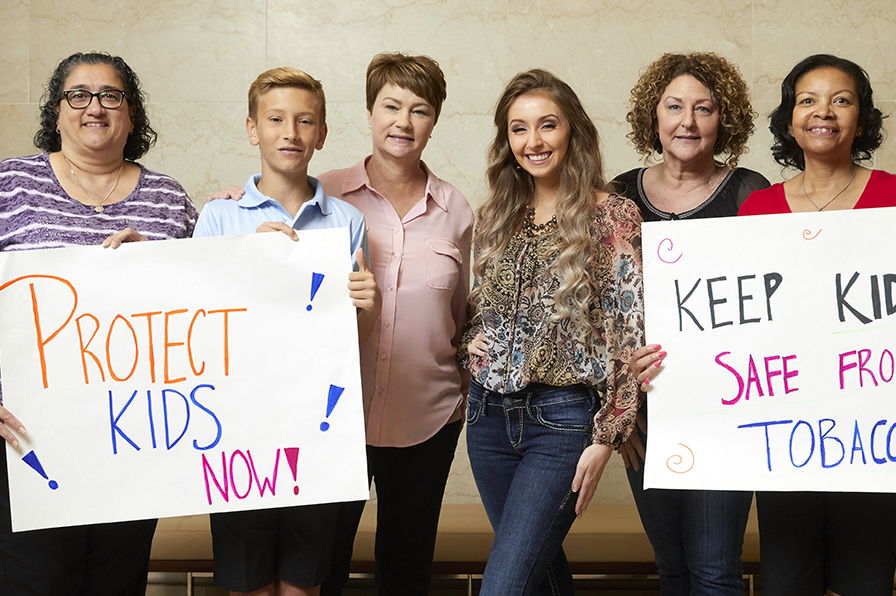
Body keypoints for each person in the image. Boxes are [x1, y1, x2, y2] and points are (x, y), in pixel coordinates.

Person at [0, 51, 197, 595]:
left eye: (111, 96)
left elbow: (208, 301)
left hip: (132, 438)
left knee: (118, 583)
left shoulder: (169, 199)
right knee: (35, 583)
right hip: (28, 436)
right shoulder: (9, 184)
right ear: (57, 112)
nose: (95, 107)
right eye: (78, 95)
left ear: (131, 115)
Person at [193, 67, 380, 596]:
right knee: (248, 584)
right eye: (275, 119)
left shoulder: (346, 221)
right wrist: (250, 256)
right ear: (253, 129)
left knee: (302, 584)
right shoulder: (218, 217)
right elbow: (197, 326)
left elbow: (351, 338)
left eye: (305, 121)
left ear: (321, 134)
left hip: (316, 430)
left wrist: (367, 305)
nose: (290, 133)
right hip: (237, 431)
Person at [458, 69, 643, 595]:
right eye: (519, 129)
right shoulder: (496, 215)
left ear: (573, 131)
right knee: (536, 579)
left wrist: (608, 433)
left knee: (505, 587)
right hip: (487, 418)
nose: (533, 141)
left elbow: (627, 332)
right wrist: (466, 344)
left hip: (560, 424)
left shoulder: (612, 215)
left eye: (547, 125)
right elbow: (481, 309)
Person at [739, 54, 896, 596]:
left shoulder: (895, 199)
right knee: (787, 584)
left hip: (876, 436)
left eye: (841, 99)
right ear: (789, 119)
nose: (822, 111)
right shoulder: (757, 210)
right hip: (787, 438)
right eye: (807, 100)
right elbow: (737, 326)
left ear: (862, 117)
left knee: (867, 584)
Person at [316, 53, 473, 596]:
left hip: (427, 416)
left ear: (434, 120)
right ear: (369, 112)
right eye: (391, 106)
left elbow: (460, 317)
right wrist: (236, 206)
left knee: (406, 569)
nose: (403, 122)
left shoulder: (457, 209)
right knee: (323, 564)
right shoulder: (323, 193)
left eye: (420, 109)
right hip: (334, 415)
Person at [611, 52, 768, 595]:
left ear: (723, 119)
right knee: (671, 567)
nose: (688, 122)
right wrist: (620, 405)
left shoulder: (750, 191)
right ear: (653, 116)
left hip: (726, 406)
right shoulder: (619, 195)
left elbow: (773, 302)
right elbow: (598, 308)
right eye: (674, 106)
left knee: (714, 569)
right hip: (648, 412)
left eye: (704, 108)